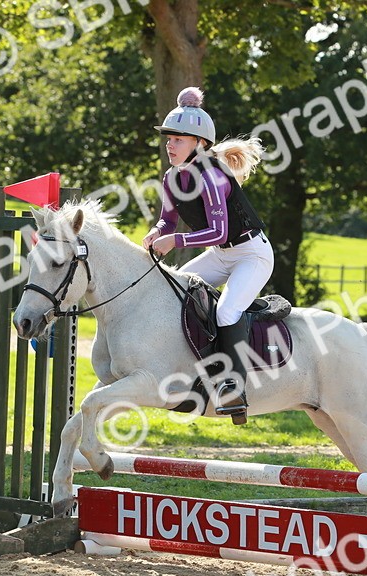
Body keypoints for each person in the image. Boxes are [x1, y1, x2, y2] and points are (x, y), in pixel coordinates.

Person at [143, 87, 273, 422]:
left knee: (227, 312)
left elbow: (217, 231)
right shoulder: (172, 178)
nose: (170, 145)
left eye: (178, 140)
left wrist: (175, 241)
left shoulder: (214, 177)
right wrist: (159, 231)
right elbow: (167, 219)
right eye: (169, 139)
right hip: (221, 254)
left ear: (199, 144)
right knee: (179, 291)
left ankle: (233, 388)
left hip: (251, 254)